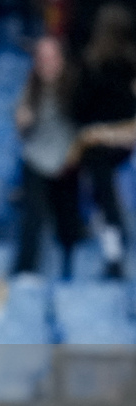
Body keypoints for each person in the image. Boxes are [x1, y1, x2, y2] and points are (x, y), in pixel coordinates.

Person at [72, 3, 136, 278]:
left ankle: (114, 239)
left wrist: (101, 132)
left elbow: (80, 111)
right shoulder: (94, 64)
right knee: (100, 178)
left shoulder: (94, 64)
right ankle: (113, 242)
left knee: (100, 174)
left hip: (112, 139)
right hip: (109, 143)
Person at [13, 36, 84, 279]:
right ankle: (24, 273)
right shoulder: (30, 88)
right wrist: (22, 122)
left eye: (52, 58)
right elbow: (21, 127)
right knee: (32, 218)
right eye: (42, 59)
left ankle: (73, 276)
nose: (47, 64)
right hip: (36, 160)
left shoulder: (77, 87)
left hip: (68, 163)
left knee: (69, 227)